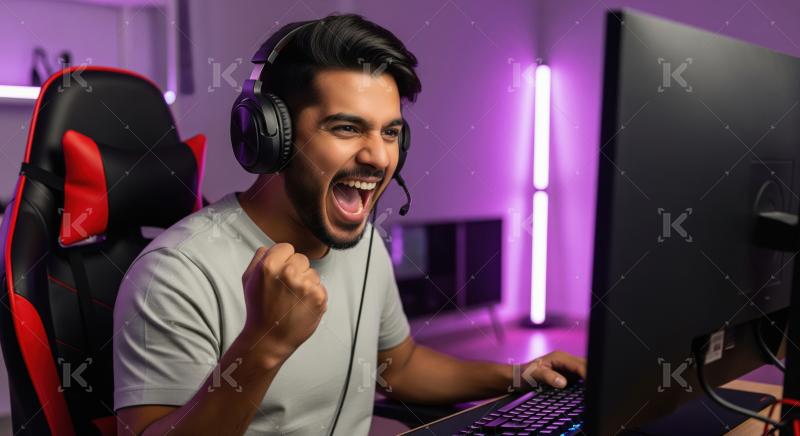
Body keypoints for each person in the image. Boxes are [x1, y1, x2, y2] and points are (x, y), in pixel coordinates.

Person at [113, 13, 586, 435]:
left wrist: (518, 375)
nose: (379, 157)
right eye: (347, 128)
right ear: (270, 137)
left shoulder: (359, 241)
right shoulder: (176, 272)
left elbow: (398, 367)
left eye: (391, 133)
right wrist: (264, 344)